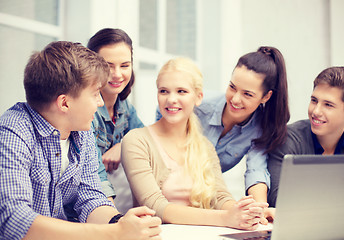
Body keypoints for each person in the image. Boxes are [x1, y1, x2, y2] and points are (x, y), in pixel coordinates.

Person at [0, 41, 161, 240]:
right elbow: (13, 220)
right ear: (64, 103)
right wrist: (114, 233)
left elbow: (91, 197)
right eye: (95, 94)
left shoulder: (81, 130)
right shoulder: (13, 130)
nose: (101, 102)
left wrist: (121, 222)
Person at [121, 57, 268, 230]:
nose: (171, 99)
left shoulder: (205, 146)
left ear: (198, 97)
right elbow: (155, 206)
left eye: (181, 91)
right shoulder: (136, 141)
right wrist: (225, 218)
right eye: (164, 91)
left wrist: (245, 212)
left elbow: (220, 197)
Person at [155, 46, 289, 221]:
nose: (235, 99)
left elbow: (256, 170)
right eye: (232, 87)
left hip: (207, 201)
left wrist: (259, 209)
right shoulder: (197, 104)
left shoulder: (261, 126)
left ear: (265, 97)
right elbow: (162, 115)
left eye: (247, 94)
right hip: (168, 197)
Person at [267, 66, 344, 207]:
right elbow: (278, 200)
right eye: (314, 100)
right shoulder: (287, 139)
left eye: (328, 105)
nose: (316, 111)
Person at [87, 28, 143, 213]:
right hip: (92, 207)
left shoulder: (125, 108)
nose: (117, 74)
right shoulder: (87, 112)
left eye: (125, 65)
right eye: (108, 66)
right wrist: (114, 220)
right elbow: (95, 173)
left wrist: (123, 145)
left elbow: (147, 137)